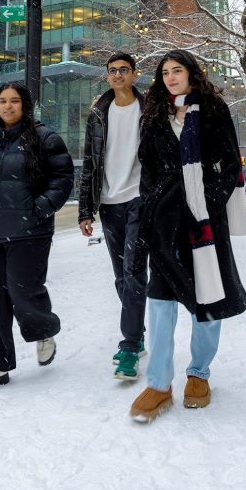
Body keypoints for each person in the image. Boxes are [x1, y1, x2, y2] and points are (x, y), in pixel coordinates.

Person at [129, 49, 246, 422]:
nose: (170, 77)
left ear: (191, 73)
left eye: (177, 70)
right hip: (164, 221)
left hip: (203, 222)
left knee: (207, 298)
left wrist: (208, 200)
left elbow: (231, 163)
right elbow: (147, 167)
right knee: (160, 302)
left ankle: (199, 373)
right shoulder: (153, 115)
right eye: (165, 72)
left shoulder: (213, 110)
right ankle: (159, 383)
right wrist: (151, 203)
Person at [0, 82, 74, 395]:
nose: (8, 106)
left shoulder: (44, 138)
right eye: (3, 101)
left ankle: (43, 331)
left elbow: (62, 178)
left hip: (29, 231)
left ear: (25, 105)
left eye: (14, 101)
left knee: (24, 293)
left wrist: (41, 207)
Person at [78, 51, 147, 381]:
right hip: (108, 203)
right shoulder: (97, 114)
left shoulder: (149, 110)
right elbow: (89, 164)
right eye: (112, 70)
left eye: (123, 69)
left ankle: (130, 346)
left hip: (139, 199)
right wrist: (85, 210)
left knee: (134, 272)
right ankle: (138, 330)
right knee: (121, 276)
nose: (117, 75)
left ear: (134, 74)